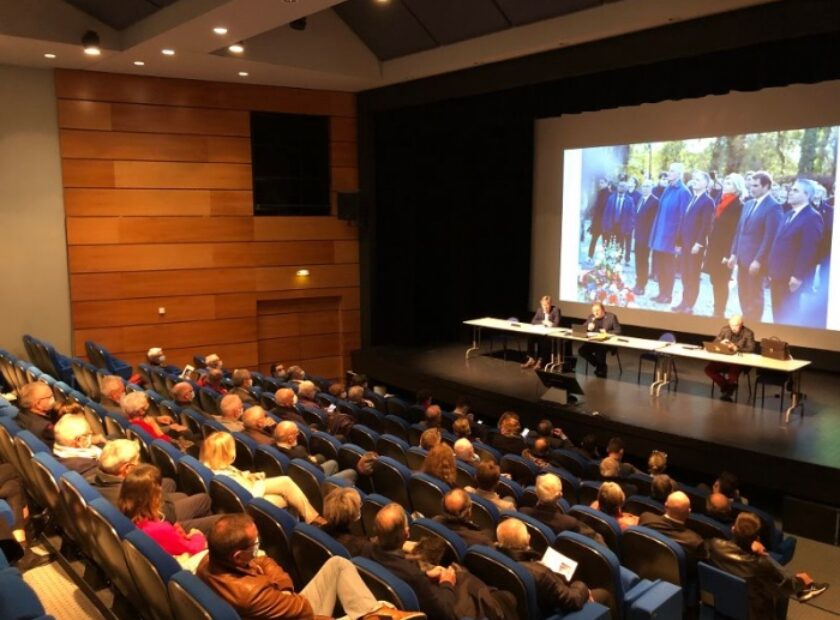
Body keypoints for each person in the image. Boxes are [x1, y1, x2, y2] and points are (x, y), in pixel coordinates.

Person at [198, 513, 418, 620]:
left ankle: (373, 611)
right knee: (382, 607)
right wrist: (284, 590)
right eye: (255, 543)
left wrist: (282, 589)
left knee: (338, 564)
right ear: (237, 555)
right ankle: (375, 612)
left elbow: (263, 560)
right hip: (301, 614)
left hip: (284, 605)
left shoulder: (209, 562)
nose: (259, 546)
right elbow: (303, 608)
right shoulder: (252, 594)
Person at [708, 512, 828, 618]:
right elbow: (784, 588)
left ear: (733, 529)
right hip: (752, 613)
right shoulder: (760, 564)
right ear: (757, 538)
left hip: (721, 603)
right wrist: (801, 580)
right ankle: (806, 587)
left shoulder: (714, 545)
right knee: (779, 584)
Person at [90, 439, 220, 534]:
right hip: (158, 526)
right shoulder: (132, 494)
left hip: (142, 517)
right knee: (204, 500)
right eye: (138, 461)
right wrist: (153, 486)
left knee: (174, 487)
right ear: (128, 468)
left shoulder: (95, 478)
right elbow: (168, 515)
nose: (140, 463)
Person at [201, 432, 324, 524]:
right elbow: (251, 496)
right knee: (289, 497)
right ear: (225, 452)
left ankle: (310, 518)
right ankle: (309, 521)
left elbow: (237, 476)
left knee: (287, 482)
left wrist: (249, 475)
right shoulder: (223, 476)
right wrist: (260, 482)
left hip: (250, 486)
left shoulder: (213, 464)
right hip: (252, 501)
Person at [496, 518, 607, 615]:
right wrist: (582, 586)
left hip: (526, 609)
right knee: (604, 594)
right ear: (528, 540)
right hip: (552, 611)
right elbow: (573, 600)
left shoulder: (495, 559)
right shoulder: (541, 573)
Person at [367, 503, 459, 619]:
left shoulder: (366, 550)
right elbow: (444, 613)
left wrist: (425, 574)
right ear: (407, 533)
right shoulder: (412, 575)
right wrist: (447, 583)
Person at [119, 464, 208, 570]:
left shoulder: (124, 513)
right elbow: (192, 549)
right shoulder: (160, 529)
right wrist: (197, 536)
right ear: (154, 497)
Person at [728, 171, 783, 322]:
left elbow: (770, 238)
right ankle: (747, 319)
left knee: (754, 295)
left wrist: (758, 260)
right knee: (743, 292)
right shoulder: (748, 204)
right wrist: (733, 253)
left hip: (756, 262)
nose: (752, 188)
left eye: (756, 185)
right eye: (751, 185)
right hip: (742, 259)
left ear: (766, 186)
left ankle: (754, 325)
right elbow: (739, 231)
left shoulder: (774, 207)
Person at [767, 179, 824, 324]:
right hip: (777, 275)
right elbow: (778, 243)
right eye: (791, 189)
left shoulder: (812, 217)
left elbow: (809, 250)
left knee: (788, 316)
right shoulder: (788, 214)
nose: (790, 192)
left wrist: (798, 276)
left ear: (807, 195)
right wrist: (771, 270)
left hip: (790, 279)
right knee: (777, 313)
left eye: (795, 190)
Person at [672, 170, 715, 313]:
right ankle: (683, 302)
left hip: (695, 245)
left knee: (693, 275)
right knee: (684, 274)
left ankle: (689, 305)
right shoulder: (692, 198)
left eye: (698, 179)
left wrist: (699, 243)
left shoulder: (708, 202)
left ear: (706, 184)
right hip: (684, 244)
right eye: (694, 179)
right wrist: (678, 243)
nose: (694, 181)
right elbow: (682, 221)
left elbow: (706, 225)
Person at [649, 163, 693, 304]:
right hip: (661, 234)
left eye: (672, 171)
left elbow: (684, 218)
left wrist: (679, 240)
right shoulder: (668, 188)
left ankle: (668, 296)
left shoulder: (684, 191)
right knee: (660, 265)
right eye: (669, 170)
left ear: (680, 174)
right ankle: (661, 293)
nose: (669, 173)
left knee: (668, 267)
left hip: (671, 237)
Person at [705, 174, 746, 317]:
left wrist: (728, 254)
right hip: (714, 247)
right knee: (714, 280)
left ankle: (719, 311)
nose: (726, 184)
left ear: (737, 188)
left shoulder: (739, 206)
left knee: (721, 281)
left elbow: (734, 232)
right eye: (726, 182)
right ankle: (717, 308)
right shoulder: (721, 201)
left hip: (724, 251)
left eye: (730, 183)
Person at [521, 473, 602, 543]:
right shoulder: (570, 523)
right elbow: (595, 538)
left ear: (536, 492)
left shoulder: (523, 512)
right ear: (560, 495)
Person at [638, 491, 708, 570]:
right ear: (688, 512)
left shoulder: (646, 518)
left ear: (665, 505)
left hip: (643, 567)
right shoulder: (695, 542)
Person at [704, 314, 755, 401]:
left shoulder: (748, 333)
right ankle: (728, 386)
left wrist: (737, 348)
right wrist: (720, 344)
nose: (733, 328)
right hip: (724, 359)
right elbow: (715, 343)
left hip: (738, 360)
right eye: (731, 325)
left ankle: (727, 388)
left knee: (733, 374)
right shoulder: (725, 329)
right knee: (708, 369)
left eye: (736, 325)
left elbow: (751, 349)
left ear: (742, 324)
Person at [321, 487, 372, 556]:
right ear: (353, 515)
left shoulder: (319, 530)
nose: (360, 506)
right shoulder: (360, 547)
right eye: (359, 504)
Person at [577, 302, 621, 378]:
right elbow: (581, 328)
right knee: (582, 351)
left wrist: (607, 332)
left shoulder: (611, 317)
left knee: (600, 350)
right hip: (594, 341)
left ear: (603, 310)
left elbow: (618, 331)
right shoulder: (591, 317)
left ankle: (601, 369)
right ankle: (599, 365)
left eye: (597, 310)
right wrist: (587, 328)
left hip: (607, 342)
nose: (595, 312)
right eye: (593, 311)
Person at [632, 179, 660, 295]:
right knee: (638, 260)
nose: (645, 188)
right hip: (638, 235)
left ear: (652, 187)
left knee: (643, 261)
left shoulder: (655, 202)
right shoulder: (640, 199)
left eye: (648, 186)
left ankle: (642, 285)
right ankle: (638, 282)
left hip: (647, 237)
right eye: (643, 186)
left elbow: (654, 222)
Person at [522, 295, 562, 371]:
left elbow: (557, 323)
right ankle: (531, 358)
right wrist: (542, 322)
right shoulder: (539, 310)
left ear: (550, 304)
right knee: (530, 337)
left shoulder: (556, 310)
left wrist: (550, 323)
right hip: (540, 333)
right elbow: (533, 321)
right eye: (544, 305)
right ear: (541, 304)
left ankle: (540, 361)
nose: (545, 307)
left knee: (544, 340)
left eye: (547, 305)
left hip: (550, 335)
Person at [587, 177, 611, 259]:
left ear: (607, 183)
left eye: (602, 182)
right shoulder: (598, 193)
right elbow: (595, 208)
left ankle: (606, 258)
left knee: (606, 241)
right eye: (600, 182)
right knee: (593, 240)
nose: (600, 184)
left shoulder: (610, 194)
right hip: (597, 222)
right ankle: (590, 256)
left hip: (605, 222)